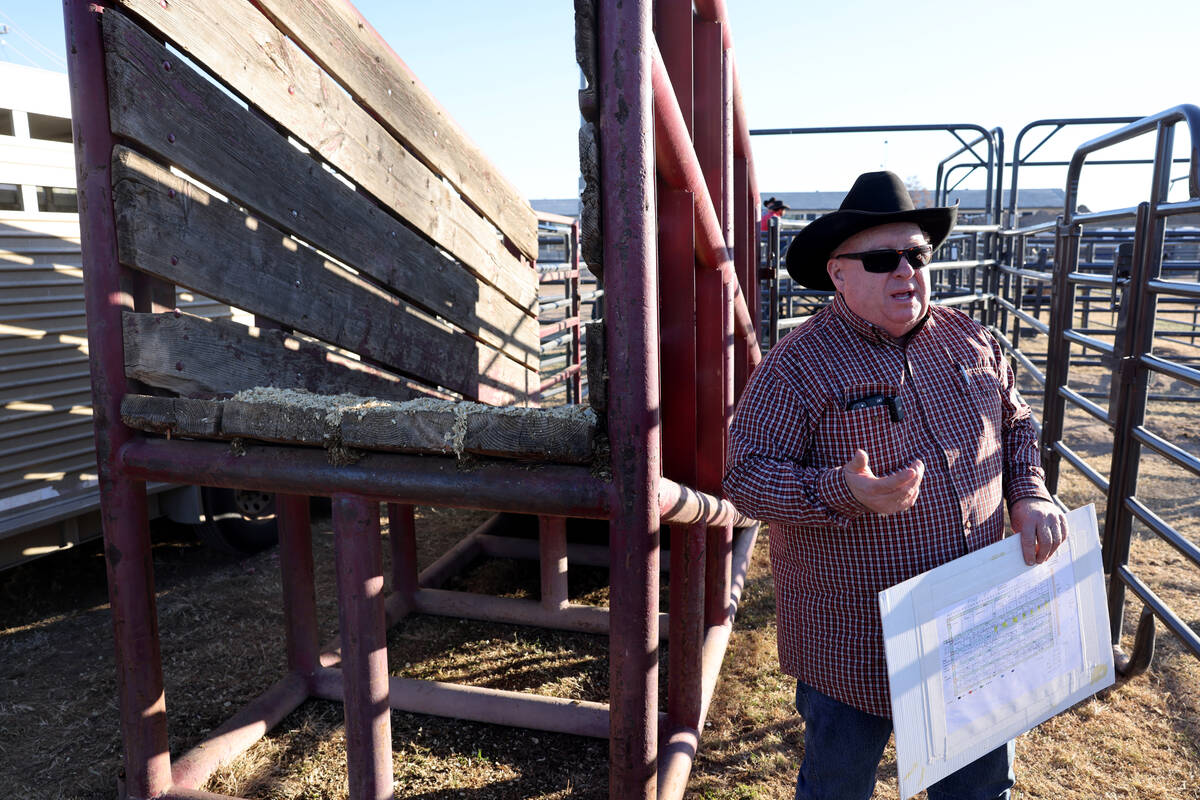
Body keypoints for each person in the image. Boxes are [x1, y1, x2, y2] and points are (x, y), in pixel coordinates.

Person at [722, 171, 1068, 800]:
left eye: (917, 255)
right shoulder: (799, 364)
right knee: (839, 786)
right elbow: (745, 478)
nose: (906, 270)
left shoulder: (973, 337)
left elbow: (1015, 422)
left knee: (978, 788)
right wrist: (844, 492)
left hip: (972, 619)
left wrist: (1030, 492)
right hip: (855, 637)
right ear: (838, 274)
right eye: (882, 258)